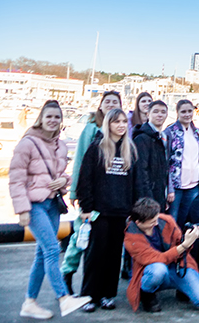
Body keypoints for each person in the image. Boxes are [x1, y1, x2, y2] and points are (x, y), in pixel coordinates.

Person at [10, 101, 91, 319]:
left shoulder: (61, 145)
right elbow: (16, 178)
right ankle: (63, 298)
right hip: (34, 205)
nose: (53, 120)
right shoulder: (27, 143)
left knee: (42, 253)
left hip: (53, 203)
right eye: (49, 116)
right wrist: (22, 209)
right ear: (41, 119)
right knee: (53, 250)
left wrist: (64, 181)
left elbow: (62, 174)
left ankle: (29, 302)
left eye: (57, 117)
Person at [77, 108, 139, 311]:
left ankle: (108, 294)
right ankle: (89, 296)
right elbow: (85, 179)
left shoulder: (130, 149)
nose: (121, 125)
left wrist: (134, 210)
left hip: (121, 212)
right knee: (95, 255)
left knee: (114, 255)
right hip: (99, 211)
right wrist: (86, 207)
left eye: (123, 122)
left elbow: (135, 183)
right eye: (116, 122)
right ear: (108, 124)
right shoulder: (97, 147)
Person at [63, 90, 122, 296]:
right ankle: (68, 273)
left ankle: (102, 288)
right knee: (81, 236)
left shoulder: (121, 131)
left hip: (110, 198)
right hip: (90, 195)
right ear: (100, 105)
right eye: (107, 101)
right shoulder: (91, 129)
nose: (111, 104)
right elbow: (80, 160)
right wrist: (74, 191)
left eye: (115, 102)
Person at [124, 198, 199, 313]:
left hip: (176, 266)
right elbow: (158, 258)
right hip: (152, 270)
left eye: (156, 219)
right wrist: (184, 245)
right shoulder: (131, 237)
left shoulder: (166, 221)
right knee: (158, 269)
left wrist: (190, 238)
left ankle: (182, 288)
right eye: (152, 222)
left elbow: (181, 246)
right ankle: (147, 293)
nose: (156, 223)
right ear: (138, 223)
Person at [164, 100, 199, 228]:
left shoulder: (197, 132)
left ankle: (183, 241)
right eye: (183, 111)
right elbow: (166, 162)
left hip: (194, 186)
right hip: (176, 187)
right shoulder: (170, 132)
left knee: (186, 219)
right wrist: (169, 188)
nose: (187, 114)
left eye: (190, 111)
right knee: (172, 221)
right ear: (177, 112)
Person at [133, 100, 170, 208]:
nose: (160, 115)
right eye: (156, 111)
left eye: (163, 112)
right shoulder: (142, 138)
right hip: (148, 198)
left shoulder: (162, 137)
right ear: (148, 114)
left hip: (159, 194)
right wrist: (148, 200)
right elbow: (141, 172)